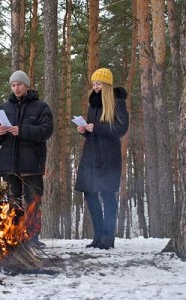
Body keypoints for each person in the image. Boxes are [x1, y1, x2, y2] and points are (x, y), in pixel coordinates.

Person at [0, 70, 54, 249]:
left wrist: (23, 130)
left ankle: (32, 238)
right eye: (13, 85)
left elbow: (46, 131)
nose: (16, 88)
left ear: (27, 85)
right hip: (9, 165)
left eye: (19, 84)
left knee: (33, 201)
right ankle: (14, 236)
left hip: (32, 164)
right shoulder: (2, 108)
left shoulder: (41, 107)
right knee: (13, 202)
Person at [74, 67, 129, 250]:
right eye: (94, 83)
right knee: (89, 194)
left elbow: (121, 129)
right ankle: (98, 236)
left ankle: (108, 237)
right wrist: (84, 130)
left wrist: (95, 127)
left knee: (107, 194)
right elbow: (94, 132)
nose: (95, 86)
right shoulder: (93, 105)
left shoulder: (117, 103)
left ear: (106, 84)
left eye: (99, 83)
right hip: (90, 156)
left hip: (108, 157)